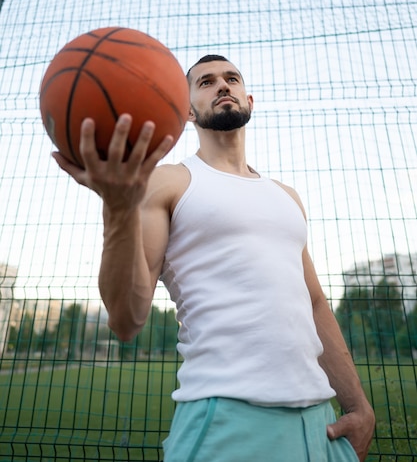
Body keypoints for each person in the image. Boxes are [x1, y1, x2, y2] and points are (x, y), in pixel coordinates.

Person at [53, 54, 375, 462]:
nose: (222, 85)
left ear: (249, 100)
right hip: (226, 417)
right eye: (206, 82)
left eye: (232, 78)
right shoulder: (169, 181)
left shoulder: (286, 196)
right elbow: (126, 318)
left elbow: (314, 303)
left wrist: (360, 408)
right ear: (186, 111)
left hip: (320, 425)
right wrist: (117, 209)